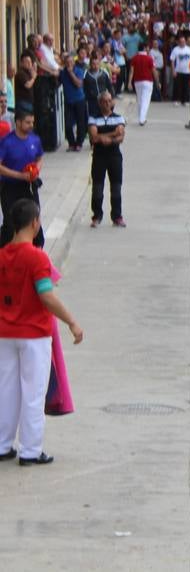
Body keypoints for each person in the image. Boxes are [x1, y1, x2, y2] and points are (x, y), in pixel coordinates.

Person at [0, 198, 83, 466]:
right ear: (35, 223)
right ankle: (30, 450)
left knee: (6, 390)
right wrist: (71, 321)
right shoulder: (37, 257)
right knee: (33, 392)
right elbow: (46, 295)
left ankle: (3, 444)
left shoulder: (1, 255)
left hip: (4, 332)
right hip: (34, 334)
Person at [0, 108, 44, 247]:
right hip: (10, 188)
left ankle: (36, 251)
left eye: (32, 122)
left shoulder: (35, 139)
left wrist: (36, 169)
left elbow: (40, 158)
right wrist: (19, 175)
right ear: (18, 122)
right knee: (10, 224)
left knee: (34, 221)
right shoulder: (7, 142)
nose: (31, 125)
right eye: (27, 122)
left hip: (29, 187)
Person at [87, 91, 126, 228]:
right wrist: (113, 133)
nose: (107, 104)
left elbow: (121, 136)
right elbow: (94, 137)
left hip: (114, 156)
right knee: (97, 187)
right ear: (99, 103)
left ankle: (117, 216)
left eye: (109, 101)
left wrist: (105, 136)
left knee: (116, 186)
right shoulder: (93, 118)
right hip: (99, 156)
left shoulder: (119, 117)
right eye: (104, 101)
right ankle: (96, 216)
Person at [129, 42, 156, 126]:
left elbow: (131, 71)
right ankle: (142, 118)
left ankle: (141, 117)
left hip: (137, 81)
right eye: (147, 47)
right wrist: (158, 81)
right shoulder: (149, 58)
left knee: (140, 100)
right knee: (146, 100)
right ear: (144, 48)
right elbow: (153, 71)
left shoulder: (134, 58)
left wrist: (129, 82)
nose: (148, 49)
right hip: (148, 81)